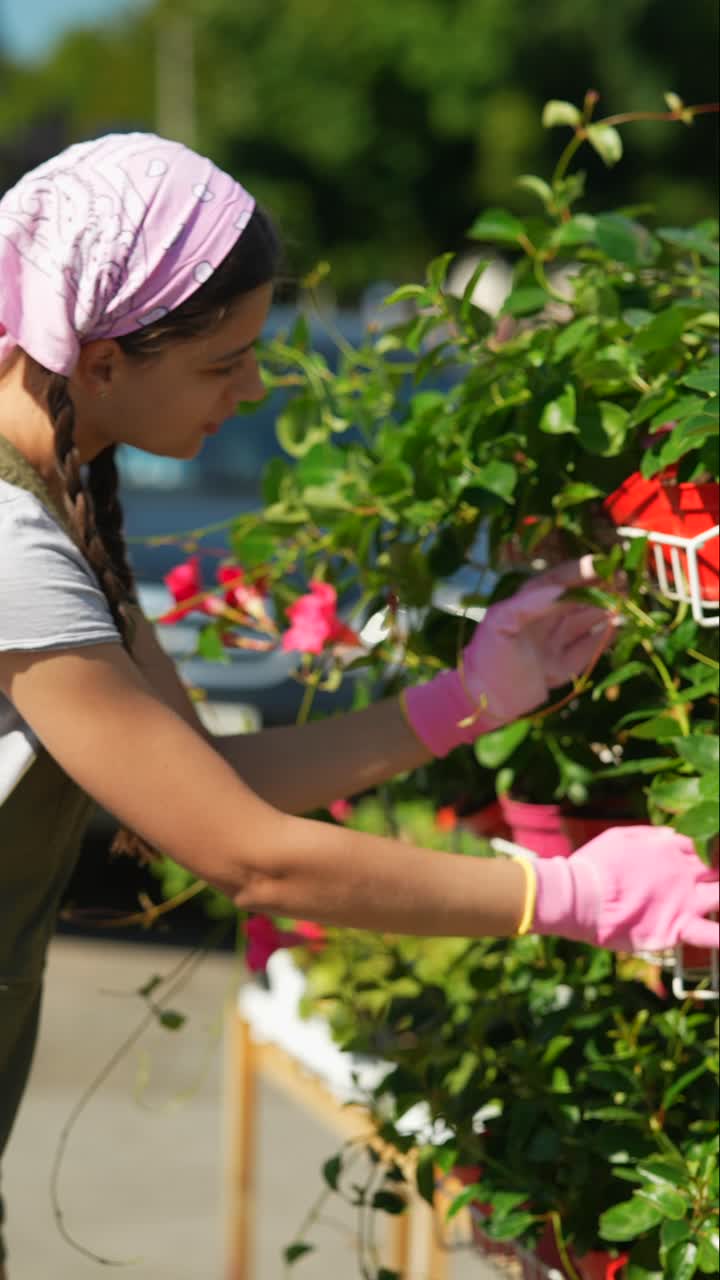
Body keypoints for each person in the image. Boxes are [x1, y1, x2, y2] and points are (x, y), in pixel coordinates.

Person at [0, 133, 716, 1276]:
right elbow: (253, 858)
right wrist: (572, 893)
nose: (254, 386)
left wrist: (465, 700)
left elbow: (208, 784)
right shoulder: (12, 540)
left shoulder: (58, 494)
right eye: (225, 360)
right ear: (98, 357)